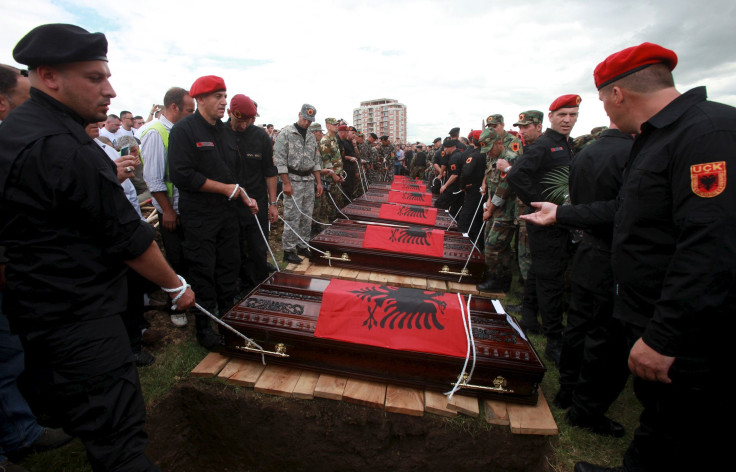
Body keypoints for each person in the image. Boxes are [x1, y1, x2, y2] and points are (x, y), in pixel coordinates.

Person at [522, 43, 735, 472]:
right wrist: (562, 212)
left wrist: (665, 336)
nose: (600, 110)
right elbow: (627, 211)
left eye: (600, 99)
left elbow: (711, 245)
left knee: (688, 427)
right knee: (661, 415)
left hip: (688, 325)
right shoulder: (659, 137)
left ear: (617, 93)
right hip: (649, 308)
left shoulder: (707, 133)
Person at [0, 23, 195, 472]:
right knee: (119, 437)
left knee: (82, 412)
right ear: (49, 77)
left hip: (37, 307)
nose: (109, 90)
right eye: (94, 78)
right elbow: (126, 235)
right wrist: (176, 285)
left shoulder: (20, 130)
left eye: (106, 76)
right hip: (81, 315)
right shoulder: (66, 148)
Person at [552, 121, 633, 439]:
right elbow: (626, 209)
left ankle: (566, 391)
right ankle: (586, 409)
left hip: (588, 251)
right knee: (606, 337)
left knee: (577, 326)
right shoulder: (632, 153)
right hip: (613, 255)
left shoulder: (585, 152)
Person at [169, 75, 257, 349]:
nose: (223, 102)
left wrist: (243, 193)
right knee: (203, 271)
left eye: (224, 95)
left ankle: (227, 316)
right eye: (217, 96)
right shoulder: (184, 130)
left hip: (228, 213)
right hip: (200, 216)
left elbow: (233, 172)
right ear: (200, 99)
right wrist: (223, 188)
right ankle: (205, 330)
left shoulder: (225, 132)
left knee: (228, 266)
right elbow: (181, 175)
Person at [507, 95, 580, 365]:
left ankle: (528, 318)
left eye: (573, 115)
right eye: (563, 114)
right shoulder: (544, 146)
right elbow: (516, 175)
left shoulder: (565, 145)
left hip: (557, 220)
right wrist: (540, 204)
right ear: (550, 117)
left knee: (539, 272)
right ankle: (554, 339)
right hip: (547, 223)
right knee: (551, 280)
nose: (568, 120)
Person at [140, 86, 195, 327]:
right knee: (176, 260)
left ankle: (191, 300)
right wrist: (168, 211)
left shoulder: (179, 131)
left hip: (186, 208)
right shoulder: (156, 133)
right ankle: (176, 307)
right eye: (189, 110)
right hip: (171, 211)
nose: (192, 115)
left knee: (190, 257)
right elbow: (154, 180)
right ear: (174, 107)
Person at [224, 94, 278, 289]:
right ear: (230, 113)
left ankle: (259, 285)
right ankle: (237, 286)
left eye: (248, 121)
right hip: (228, 203)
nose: (244, 126)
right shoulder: (219, 133)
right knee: (232, 249)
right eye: (239, 121)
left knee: (257, 246)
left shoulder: (260, 136)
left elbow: (269, 172)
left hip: (257, 202)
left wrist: (273, 204)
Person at [274, 104, 323, 264]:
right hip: (293, 180)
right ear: (299, 115)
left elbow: (315, 161)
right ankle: (288, 250)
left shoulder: (310, 136)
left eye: (310, 120)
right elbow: (279, 161)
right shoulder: (286, 133)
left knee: (306, 215)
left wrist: (319, 182)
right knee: (293, 216)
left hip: (308, 180)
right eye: (305, 119)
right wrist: (286, 184)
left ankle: (302, 245)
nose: (307, 123)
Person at [476, 128, 520, 292]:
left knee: (493, 247)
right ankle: (497, 277)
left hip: (505, 212)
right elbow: (492, 186)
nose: (489, 153)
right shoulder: (492, 158)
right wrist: (488, 202)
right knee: (493, 245)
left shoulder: (510, 158)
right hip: (494, 209)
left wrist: (490, 209)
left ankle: (498, 282)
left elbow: (503, 189)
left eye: (490, 148)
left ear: (499, 143)